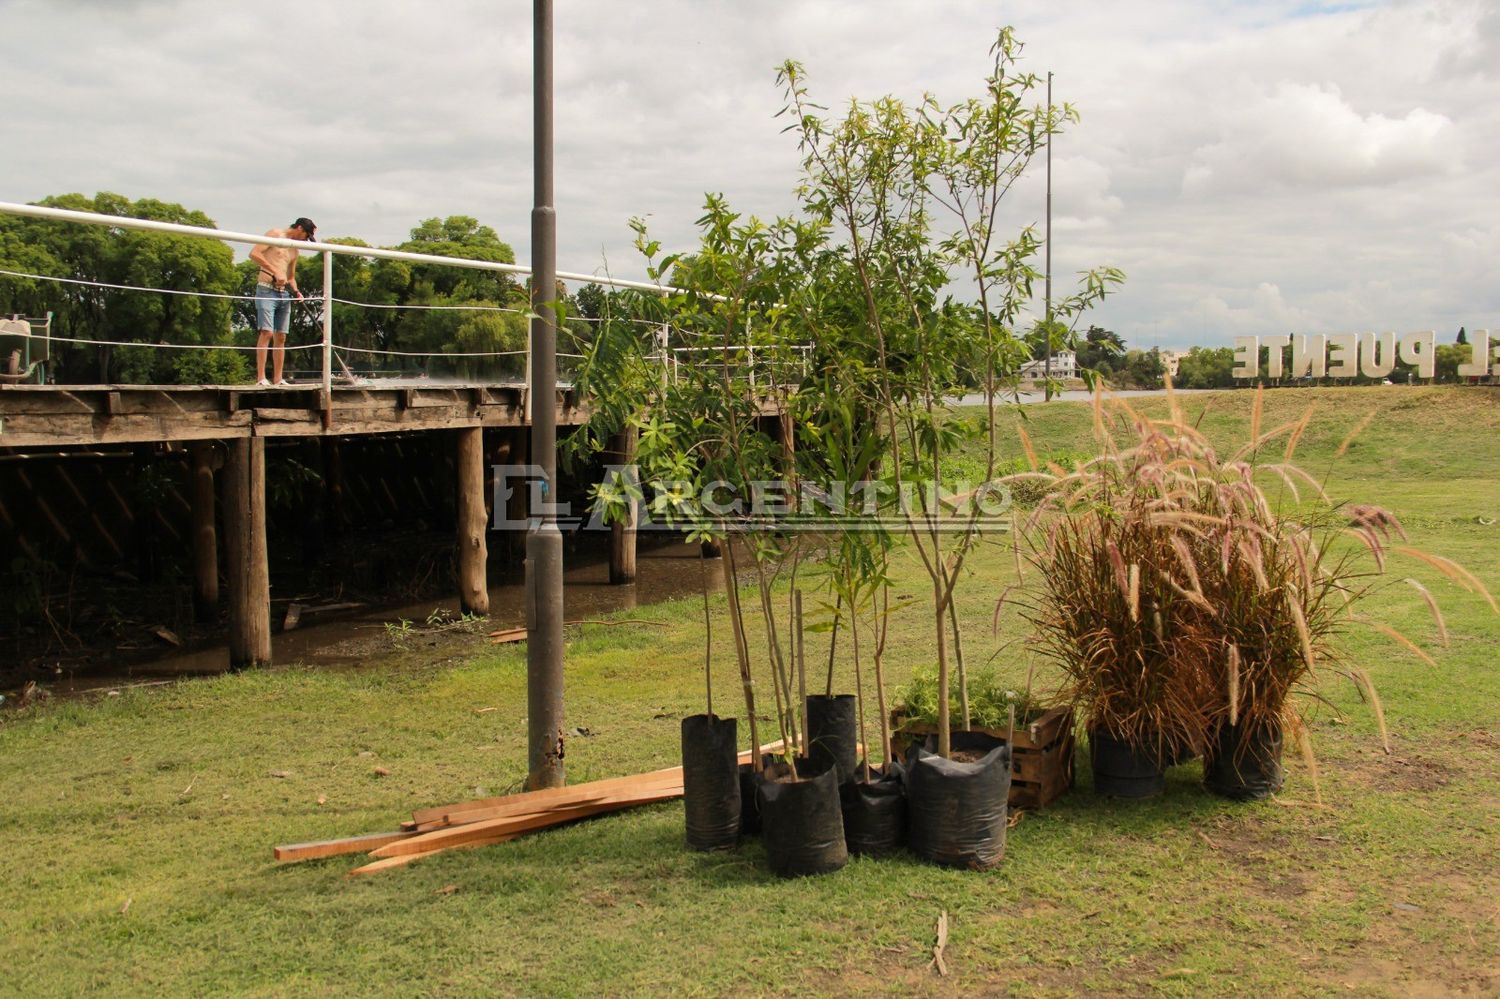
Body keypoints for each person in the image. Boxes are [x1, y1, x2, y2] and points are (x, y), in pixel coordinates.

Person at [248, 217, 317, 386]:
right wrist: (274, 272)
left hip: (283, 294)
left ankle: (278, 379)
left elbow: (291, 277)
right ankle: (261, 378)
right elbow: (254, 253)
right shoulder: (275, 234)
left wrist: (297, 291)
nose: (305, 240)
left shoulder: (295, 251)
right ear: (299, 228)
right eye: (306, 235)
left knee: (281, 336)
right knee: (267, 332)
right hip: (266, 288)